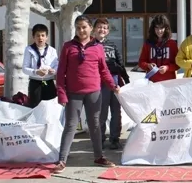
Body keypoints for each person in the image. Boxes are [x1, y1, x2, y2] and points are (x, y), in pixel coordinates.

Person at [54, 16, 118, 174]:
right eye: (78, 28)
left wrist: (113, 86)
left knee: (95, 125)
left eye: (84, 27)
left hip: (94, 92)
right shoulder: (68, 47)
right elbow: (61, 72)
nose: (81, 30)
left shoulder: (98, 47)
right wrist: (61, 94)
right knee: (70, 125)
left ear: (91, 28)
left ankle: (99, 156)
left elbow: (104, 70)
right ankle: (62, 160)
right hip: (73, 93)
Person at [94, 18, 129, 150]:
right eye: (99, 27)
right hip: (99, 83)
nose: (102, 30)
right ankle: (100, 139)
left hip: (114, 81)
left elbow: (120, 64)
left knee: (116, 112)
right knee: (101, 113)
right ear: (94, 29)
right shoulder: (91, 45)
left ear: (108, 31)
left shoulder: (113, 46)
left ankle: (115, 139)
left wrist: (126, 79)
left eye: (104, 28)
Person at [22, 24, 59, 108]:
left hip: (48, 82)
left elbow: (57, 65)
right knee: (35, 107)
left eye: (43, 35)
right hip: (35, 83)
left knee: (50, 107)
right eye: (37, 35)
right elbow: (24, 68)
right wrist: (36, 72)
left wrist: (54, 71)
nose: (40, 38)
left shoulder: (52, 50)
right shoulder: (29, 50)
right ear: (33, 37)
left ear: (47, 37)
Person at [138, 15, 179, 82]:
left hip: (169, 83)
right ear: (153, 28)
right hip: (152, 83)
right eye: (156, 28)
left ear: (166, 28)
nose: (159, 31)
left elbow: (178, 64)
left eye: (161, 28)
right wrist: (148, 65)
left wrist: (167, 68)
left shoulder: (172, 44)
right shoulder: (148, 44)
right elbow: (141, 62)